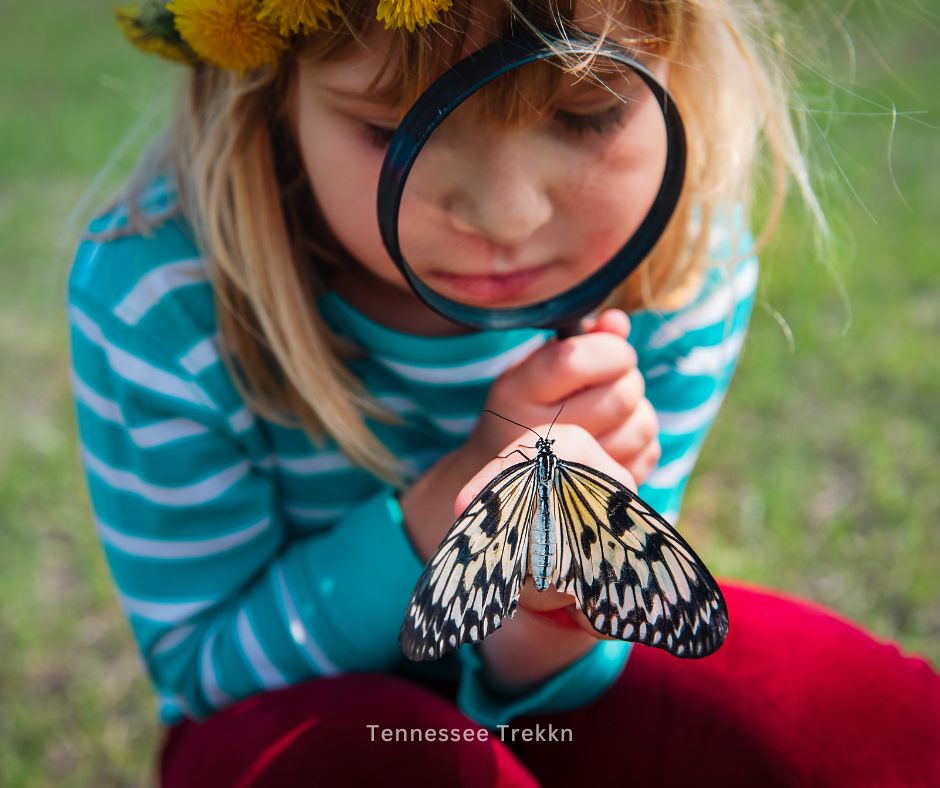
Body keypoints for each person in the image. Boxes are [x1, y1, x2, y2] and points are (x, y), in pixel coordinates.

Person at [67, 0, 939, 785]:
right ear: (267, 93)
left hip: (558, 698)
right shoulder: (160, 298)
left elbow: (588, 666)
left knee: (854, 723)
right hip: (295, 728)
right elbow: (203, 672)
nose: (508, 216)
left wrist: (551, 607)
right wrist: (446, 507)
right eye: (391, 128)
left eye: (589, 114)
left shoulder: (679, 268)